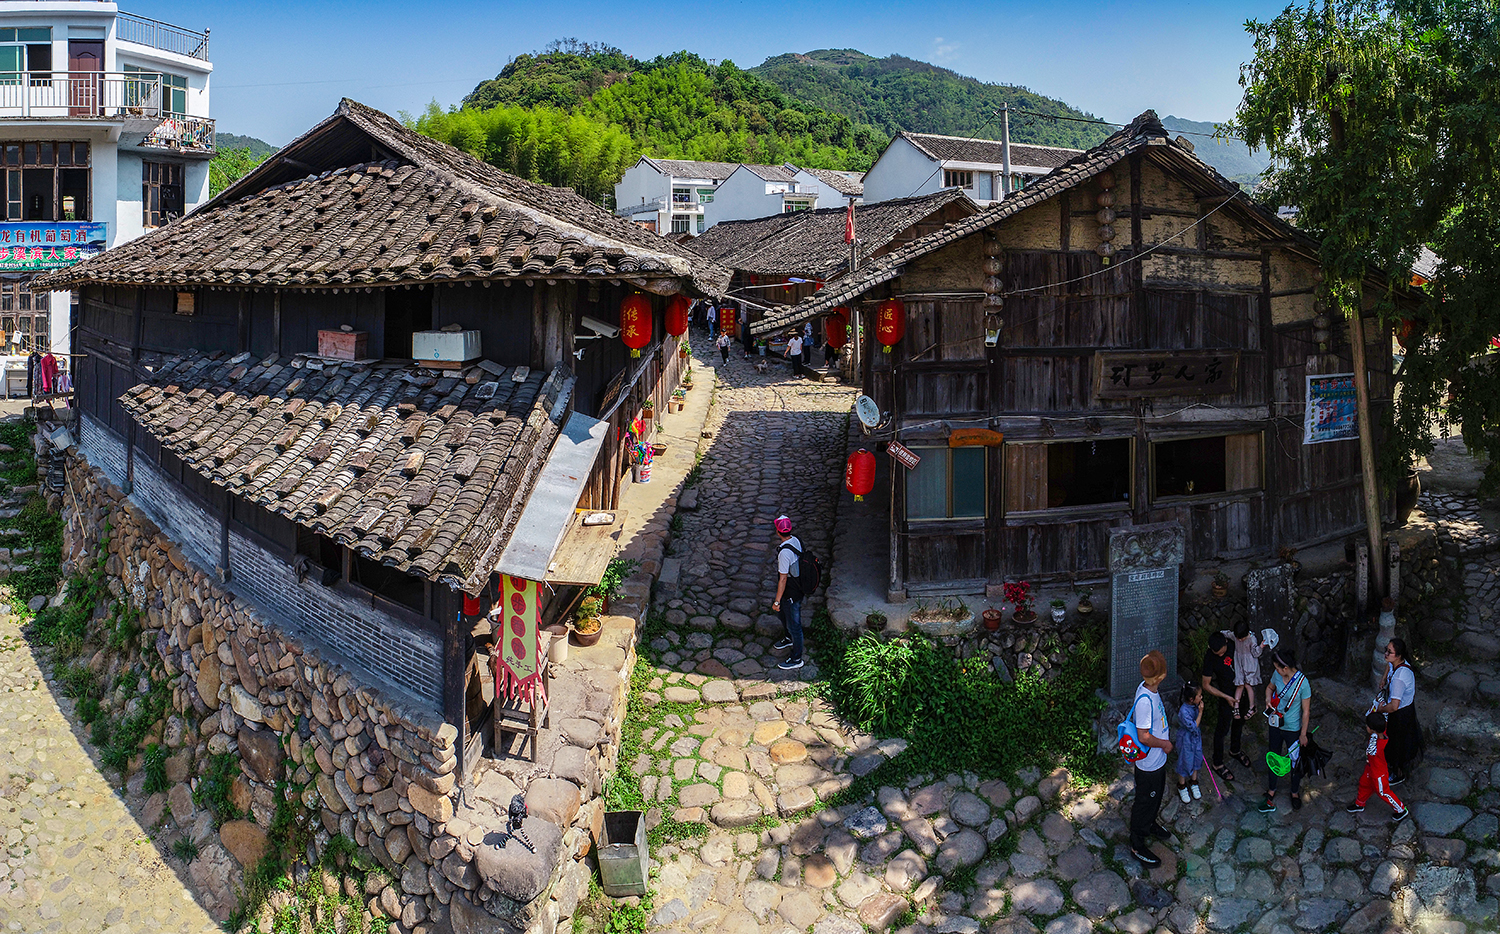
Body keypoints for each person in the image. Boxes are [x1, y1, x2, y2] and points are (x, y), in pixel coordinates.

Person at [1129, 650, 1173, 866]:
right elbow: (1143, 736)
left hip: (1158, 761)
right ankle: (1137, 842)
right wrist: (1165, 744)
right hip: (1149, 764)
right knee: (1145, 801)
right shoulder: (1145, 701)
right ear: (1161, 677)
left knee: (1155, 797)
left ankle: (1149, 824)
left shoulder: (1148, 688)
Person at [1260, 646, 1312, 812]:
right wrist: (1268, 699)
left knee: (1295, 760)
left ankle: (1294, 791)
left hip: (1293, 728)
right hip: (1275, 723)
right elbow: (1270, 687)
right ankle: (1272, 788)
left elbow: (1306, 711)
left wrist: (1303, 734)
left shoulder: (1303, 684)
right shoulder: (1278, 675)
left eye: (1277, 668)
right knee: (1273, 755)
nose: (1275, 671)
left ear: (1286, 668)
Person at [1375, 637, 1425, 784]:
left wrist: (1380, 709)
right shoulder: (1397, 664)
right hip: (1404, 709)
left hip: (1401, 714)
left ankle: (1398, 773)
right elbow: (1388, 666)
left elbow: (1394, 706)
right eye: (1386, 650)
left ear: (1398, 656)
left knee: (1398, 743)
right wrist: (1384, 678)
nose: (1386, 654)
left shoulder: (1399, 679)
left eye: (1389, 652)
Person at [1200, 631, 1247, 782]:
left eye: (1222, 653)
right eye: (1217, 653)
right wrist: (1225, 697)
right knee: (1222, 729)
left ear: (1226, 643)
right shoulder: (1210, 657)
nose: (1220, 656)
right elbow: (1206, 685)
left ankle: (1235, 750)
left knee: (1239, 723)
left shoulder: (1234, 644)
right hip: (1225, 695)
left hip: (1242, 690)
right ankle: (1217, 763)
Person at [1347, 710, 1409, 822]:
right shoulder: (1382, 731)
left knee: (1383, 792)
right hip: (1371, 768)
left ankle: (1401, 809)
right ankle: (1360, 803)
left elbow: (1369, 751)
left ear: (1372, 729)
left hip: (1379, 774)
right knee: (1364, 784)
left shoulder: (1377, 745)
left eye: (1367, 726)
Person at [770, 515, 805, 671]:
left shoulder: (784, 553)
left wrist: (777, 601)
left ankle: (797, 657)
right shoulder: (795, 540)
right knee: (784, 615)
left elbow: (782, 580)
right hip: (797, 586)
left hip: (791, 592)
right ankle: (788, 638)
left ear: (778, 532)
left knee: (795, 624)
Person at [1231, 621, 1265, 719]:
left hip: (1250, 664)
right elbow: (1228, 634)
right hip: (1239, 663)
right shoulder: (1235, 636)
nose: (1240, 640)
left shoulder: (1252, 639)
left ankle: (1252, 706)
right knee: (1239, 684)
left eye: (1242, 638)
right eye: (1238, 638)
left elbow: (1256, 653)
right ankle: (1236, 705)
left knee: (1247, 685)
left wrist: (1261, 647)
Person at [1176, 682, 1204, 802]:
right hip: (1186, 739)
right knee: (1184, 759)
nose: (1201, 697)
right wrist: (1201, 712)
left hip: (1195, 738)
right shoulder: (1184, 711)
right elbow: (1193, 726)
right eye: (1199, 696)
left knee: (1197, 757)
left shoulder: (1194, 706)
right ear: (1192, 699)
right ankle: (1181, 785)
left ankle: (1194, 781)